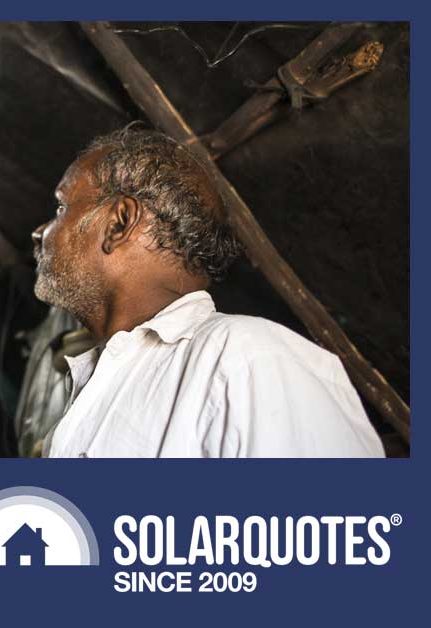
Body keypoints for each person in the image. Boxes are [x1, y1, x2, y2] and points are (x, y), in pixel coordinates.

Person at [31, 125, 384, 458]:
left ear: (120, 223)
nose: (40, 232)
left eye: (62, 208)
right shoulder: (93, 386)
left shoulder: (247, 359)